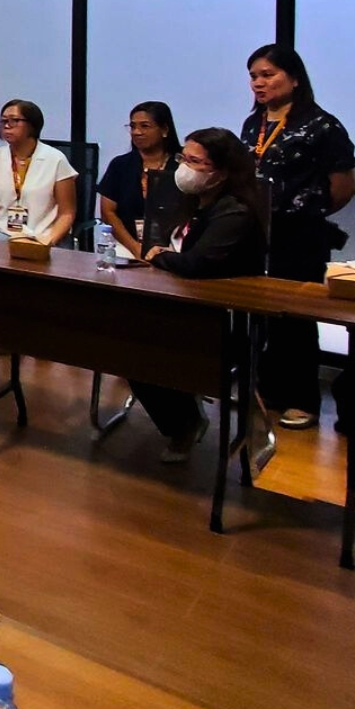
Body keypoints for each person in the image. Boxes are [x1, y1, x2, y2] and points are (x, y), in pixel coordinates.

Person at [129, 130, 268, 462]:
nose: (183, 167)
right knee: (124, 340)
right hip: (183, 307)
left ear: (220, 172)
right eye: (183, 158)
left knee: (139, 351)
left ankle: (185, 425)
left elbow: (197, 264)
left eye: (194, 161)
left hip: (222, 322)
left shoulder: (235, 211)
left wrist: (161, 257)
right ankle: (184, 420)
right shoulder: (194, 202)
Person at [239, 44, 355, 430]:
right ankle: (266, 389)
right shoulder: (253, 124)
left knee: (295, 317)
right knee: (260, 312)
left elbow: (344, 187)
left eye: (267, 74)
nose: (259, 83)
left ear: (294, 78)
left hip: (300, 235)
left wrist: (307, 211)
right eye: (253, 76)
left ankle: (302, 399)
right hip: (257, 232)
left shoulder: (322, 126)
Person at [0, 99, 77, 245]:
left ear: (32, 125)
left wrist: (47, 241)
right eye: (3, 121)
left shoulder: (56, 159)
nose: (6, 125)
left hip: (45, 236)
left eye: (14, 120)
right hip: (5, 235)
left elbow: (67, 213)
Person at [97, 102, 182, 258]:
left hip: (174, 247)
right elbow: (108, 212)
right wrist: (135, 248)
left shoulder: (182, 166)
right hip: (127, 246)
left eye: (144, 126)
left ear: (164, 130)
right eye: (132, 126)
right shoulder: (120, 165)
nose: (136, 132)